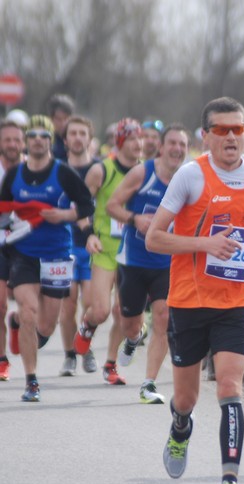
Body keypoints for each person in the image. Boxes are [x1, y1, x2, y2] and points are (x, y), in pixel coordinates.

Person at [146, 96, 244, 484]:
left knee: (229, 386)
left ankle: (229, 481)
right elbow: (154, 238)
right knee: (186, 398)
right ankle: (180, 427)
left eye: (238, 129)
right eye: (221, 130)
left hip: (236, 301)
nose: (231, 137)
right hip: (189, 302)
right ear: (205, 135)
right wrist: (204, 244)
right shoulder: (192, 175)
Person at [0, 115, 94, 401]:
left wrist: (63, 215)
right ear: (27, 142)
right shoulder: (15, 174)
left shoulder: (63, 172)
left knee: (46, 326)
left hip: (57, 255)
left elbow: (87, 204)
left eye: (44, 136)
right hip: (24, 254)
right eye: (33, 136)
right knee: (29, 312)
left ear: (50, 141)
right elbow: (3, 209)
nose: (38, 140)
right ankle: (31, 381)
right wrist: (11, 226)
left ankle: (18, 325)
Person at [106, 123, 189, 403]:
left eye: (183, 145)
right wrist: (135, 219)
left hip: (167, 262)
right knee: (129, 322)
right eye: (173, 143)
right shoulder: (143, 173)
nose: (177, 149)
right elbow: (112, 205)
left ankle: (149, 384)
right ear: (162, 147)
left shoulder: (190, 179)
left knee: (163, 317)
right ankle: (132, 338)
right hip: (134, 260)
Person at [73, 118, 143, 385]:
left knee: (122, 312)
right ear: (121, 141)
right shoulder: (102, 170)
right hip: (104, 249)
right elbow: (80, 205)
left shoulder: (146, 171)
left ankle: (110, 364)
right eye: (133, 138)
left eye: (141, 139)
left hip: (133, 251)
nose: (139, 144)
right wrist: (88, 234)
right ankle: (87, 326)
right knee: (100, 310)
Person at [59, 115, 99, 377]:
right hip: (63, 245)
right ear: (65, 140)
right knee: (68, 304)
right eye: (72, 133)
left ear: (89, 138)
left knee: (93, 304)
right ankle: (70, 356)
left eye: (82, 133)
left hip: (92, 245)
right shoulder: (57, 170)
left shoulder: (99, 170)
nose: (77, 138)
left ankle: (86, 344)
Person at [0, 119, 26, 381]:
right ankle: (1, 360)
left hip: (26, 242)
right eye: (7, 139)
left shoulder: (33, 169)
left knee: (30, 305)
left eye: (16, 140)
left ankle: (17, 321)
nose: (12, 145)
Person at [48, 94, 75, 162]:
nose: (63, 123)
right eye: (58, 119)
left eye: (66, 119)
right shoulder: (47, 141)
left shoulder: (76, 139)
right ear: (51, 119)